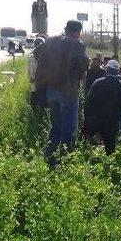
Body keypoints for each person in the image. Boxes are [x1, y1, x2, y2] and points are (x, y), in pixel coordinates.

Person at [35, 20, 89, 164]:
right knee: (69, 129)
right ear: (78, 32)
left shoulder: (50, 42)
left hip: (51, 90)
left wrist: (40, 89)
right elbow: (83, 67)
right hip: (69, 92)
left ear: (66, 29)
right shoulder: (78, 45)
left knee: (56, 126)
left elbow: (41, 66)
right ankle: (66, 161)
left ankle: (49, 157)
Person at [84, 60, 121, 155]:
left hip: (96, 121)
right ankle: (108, 166)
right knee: (110, 149)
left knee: (93, 148)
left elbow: (88, 103)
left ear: (107, 70)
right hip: (113, 122)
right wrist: (119, 113)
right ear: (118, 72)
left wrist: (87, 120)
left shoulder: (97, 83)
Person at [27, 37, 47, 114]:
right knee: (43, 104)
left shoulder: (31, 56)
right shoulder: (47, 56)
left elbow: (30, 71)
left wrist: (31, 79)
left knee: (33, 102)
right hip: (44, 84)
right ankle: (42, 116)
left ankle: (36, 116)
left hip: (35, 84)